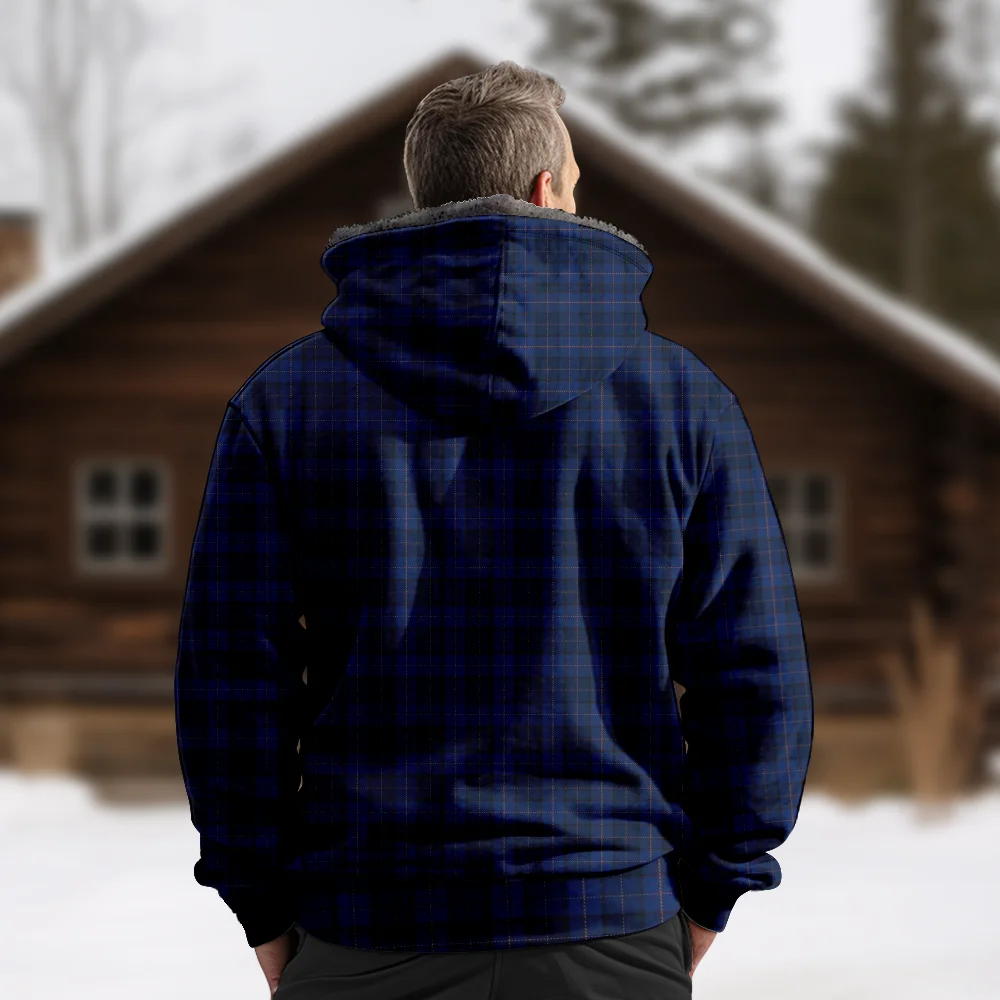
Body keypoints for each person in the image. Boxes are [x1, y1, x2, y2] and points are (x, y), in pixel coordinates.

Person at [174, 60, 814, 999]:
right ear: (548, 189)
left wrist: (260, 905)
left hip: (366, 925)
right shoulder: (683, 402)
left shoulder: (288, 403)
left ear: (424, 195)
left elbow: (230, 681)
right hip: (608, 917)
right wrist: (715, 888)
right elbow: (757, 676)